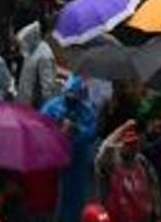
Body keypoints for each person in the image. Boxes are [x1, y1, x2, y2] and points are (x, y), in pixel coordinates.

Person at [42, 76, 99, 222]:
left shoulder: (86, 110)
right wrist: (57, 125)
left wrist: (76, 129)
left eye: (75, 97)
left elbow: (92, 132)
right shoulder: (53, 106)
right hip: (54, 160)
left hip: (76, 161)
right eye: (69, 96)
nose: (71, 100)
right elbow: (39, 125)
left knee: (74, 199)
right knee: (51, 198)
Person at [96, 121, 161, 222]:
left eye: (134, 143)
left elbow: (154, 186)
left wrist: (157, 213)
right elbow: (105, 148)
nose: (131, 147)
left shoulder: (142, 162)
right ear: (120, 145)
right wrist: (122, 129)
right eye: (127, 144)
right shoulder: (111, 163)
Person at [17, 19, 58, 108]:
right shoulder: (31, 51)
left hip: (36, 105)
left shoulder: (44, 55)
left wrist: (47, 108)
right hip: (26, 102)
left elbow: (47, 86)